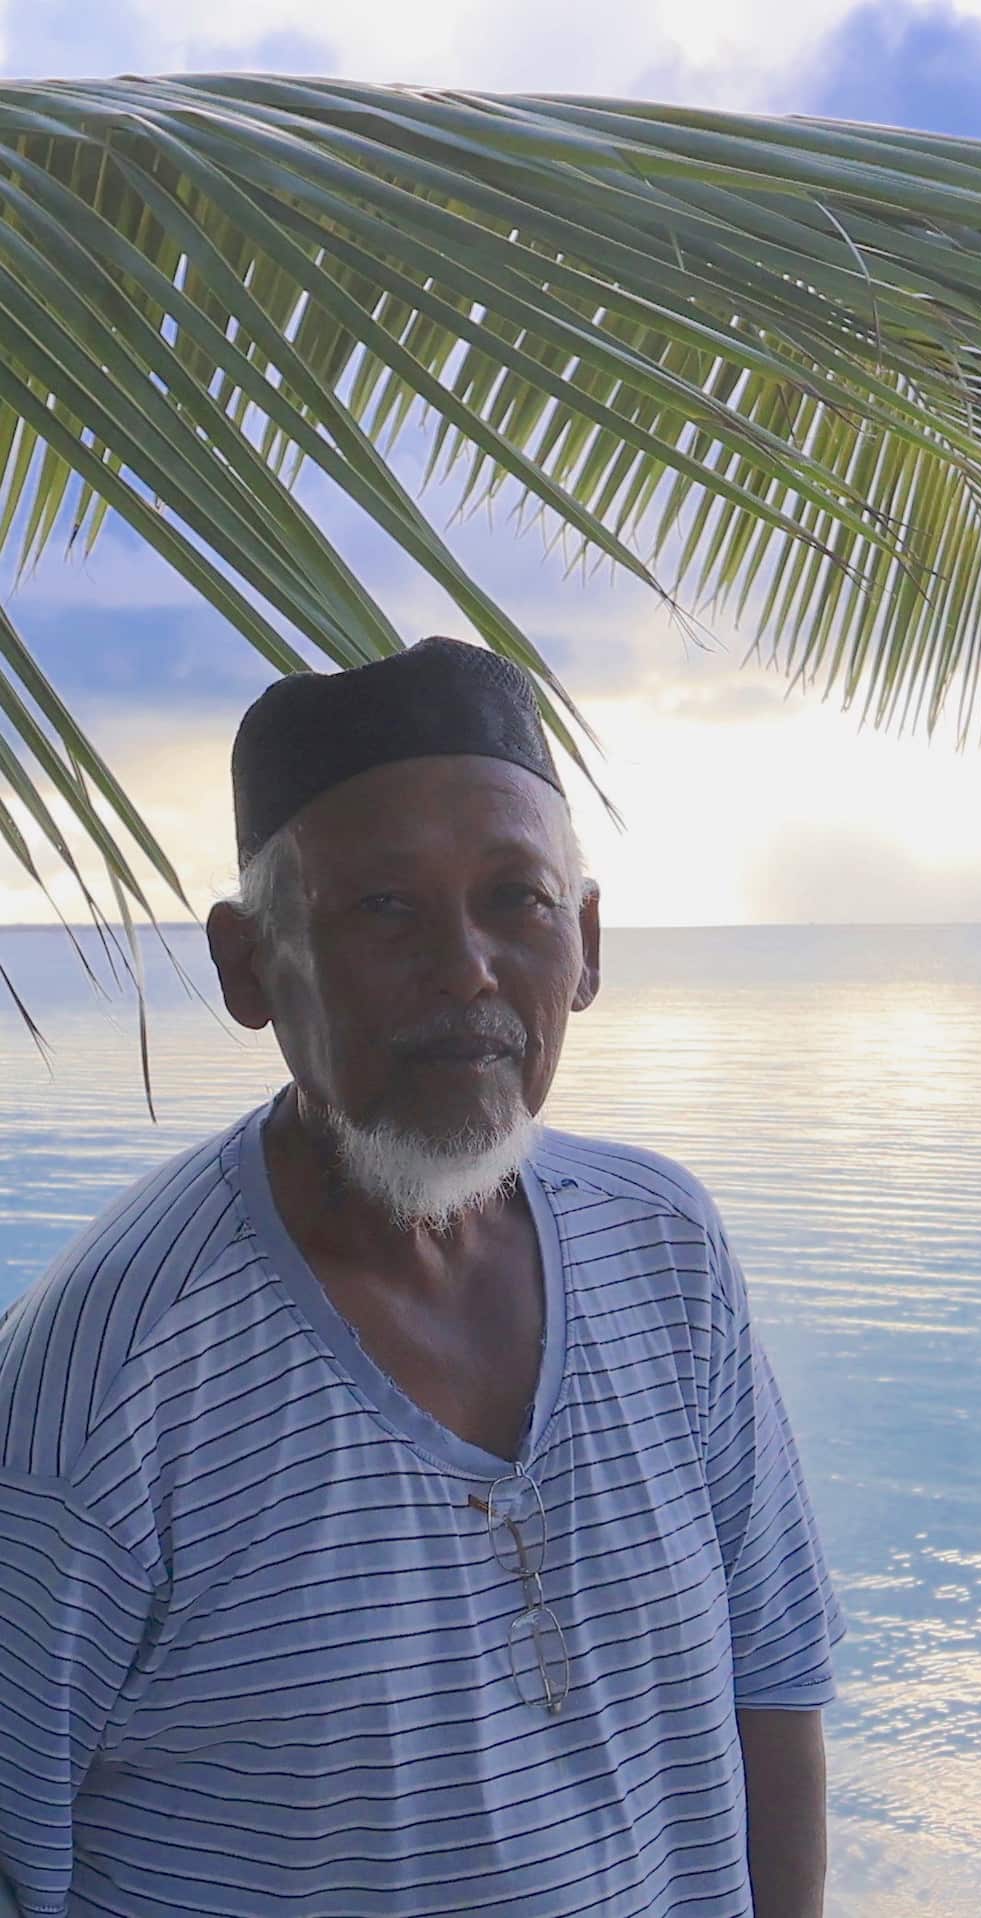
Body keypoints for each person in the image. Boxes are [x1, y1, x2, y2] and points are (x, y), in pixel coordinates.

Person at [0, 637, 844, 1917]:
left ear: (590, 943)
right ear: (246, 966)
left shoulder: (664, 1248)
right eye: (382, 907)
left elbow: (770, 1681)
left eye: (517, 899)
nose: (466, 971)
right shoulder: (109, 1375)